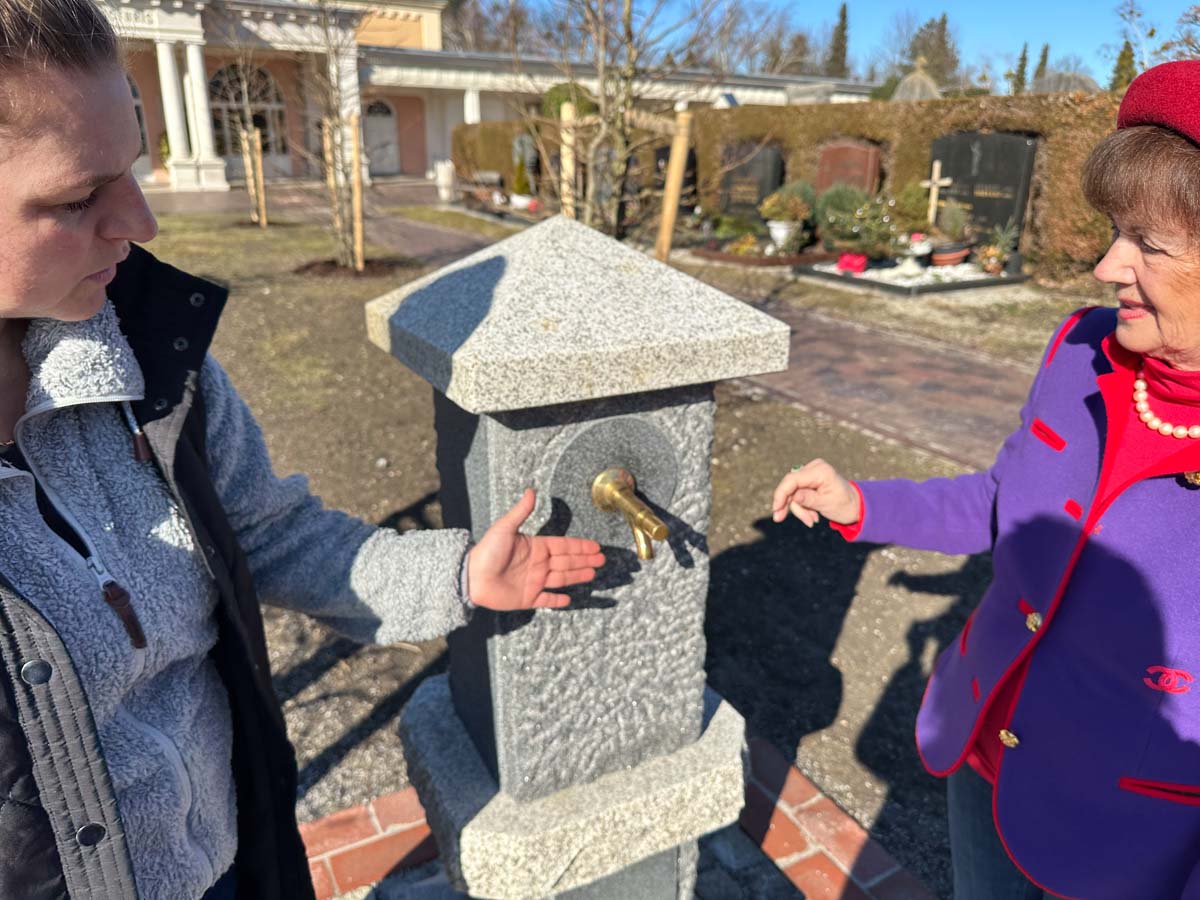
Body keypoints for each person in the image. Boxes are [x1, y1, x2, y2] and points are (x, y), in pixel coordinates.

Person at [0, 3, 605, 899]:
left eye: (131, 167)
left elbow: (272, 534)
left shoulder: (146, 362)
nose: (141, 221)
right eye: (78, 197)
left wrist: (456, 576)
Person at [773, 60, 1200, 900]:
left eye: (1147, 244)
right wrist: (864, 503)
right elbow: (1012, 501)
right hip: (988, 752)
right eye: (1115, 229)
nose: (1108, 266)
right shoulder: (1082, 348)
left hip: (1134, 834)